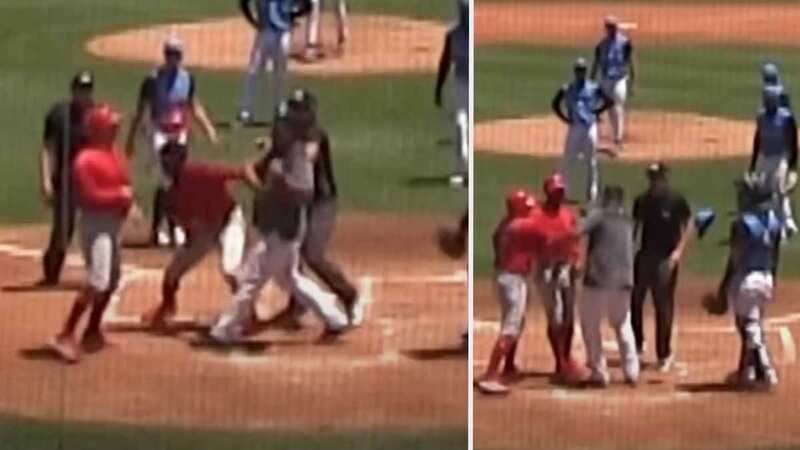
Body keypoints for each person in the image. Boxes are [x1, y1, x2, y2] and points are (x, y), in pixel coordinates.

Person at [208, 104, 348, 344]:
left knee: (251, 279)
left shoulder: (298, 155)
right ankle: (335, 318)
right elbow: (251, 170)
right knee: (291, 279)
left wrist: (280, 180)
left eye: (282, 125)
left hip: (285, 231)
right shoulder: (280, 151)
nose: (277, 128)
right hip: (277, 228)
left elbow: (305, 192)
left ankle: (225, 329)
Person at [266, 90, 362, 328]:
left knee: (312, 254)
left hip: (321, 203)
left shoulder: (314, 135)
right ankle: (297, 304)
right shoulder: (287, 133)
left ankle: (349, 296)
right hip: (298, 202)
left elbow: (309, 153)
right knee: (291, 253)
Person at [48, 104, 133, 363]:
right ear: (100, 129)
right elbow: (88, 197)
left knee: (113, 279)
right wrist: (118, 196)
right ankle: (64, 334)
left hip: (113, 225)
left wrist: (127, 204)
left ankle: (92, 332)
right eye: (112, 126)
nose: (116, 129)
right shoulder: (84, 161)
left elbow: (123, 185)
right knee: (98, 281)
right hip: (95, 225)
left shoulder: (114, 155)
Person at [139, 140, 254, 332]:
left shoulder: (200, 172)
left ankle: (248, 315)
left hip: (228, 221)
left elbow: (242, 171)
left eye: (169, 162)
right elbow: (182, 221)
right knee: (172, 272)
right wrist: (190, 236)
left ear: (181, 161)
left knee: (231, 269)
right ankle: (167, 307)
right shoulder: (170, 193)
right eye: (164, 162)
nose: (166, 167)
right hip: (204, 229)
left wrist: (260, 189)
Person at [125, 36, 218, 248]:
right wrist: (131, 139)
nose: (174, 59)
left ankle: (175, 226)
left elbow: (193, 105)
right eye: (170, 54)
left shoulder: (187, 79)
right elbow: (141, 111)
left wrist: (208, 128)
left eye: (177, 55)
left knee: (179, 181)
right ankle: (159, 229)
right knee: (164, 182)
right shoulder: (152, 80)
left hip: (180, 133)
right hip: (159, 134)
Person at [476, 189, 539, 395]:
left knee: (516, 323)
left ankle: (509, 366)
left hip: (506, 277)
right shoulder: (519, 227)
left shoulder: (505, 224)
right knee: (511, 328)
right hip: (513, 280)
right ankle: (490, 375)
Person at [631, 162, 692, 372]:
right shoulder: (642, 201)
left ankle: (664, 353)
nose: (653, 182)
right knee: (635, 300)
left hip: (666, 258)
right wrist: (631, 253)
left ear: (665, 178)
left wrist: (678, 253)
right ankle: (637, 345)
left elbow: (687, 223)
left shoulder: (675, 201)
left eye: (656, 178)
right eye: (651, 178)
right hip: (645, 256)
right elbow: (636, 228)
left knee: (663, 306)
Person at [576, 185, 639, 387]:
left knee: (590, 325)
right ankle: (632, 372)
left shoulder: (600, 215)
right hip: (625, 281)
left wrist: (586, 214)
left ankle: (599, 372)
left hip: (598, 279)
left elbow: (576, 229)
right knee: (622, 324)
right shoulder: (628, 220)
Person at [38, 70, 96, 286]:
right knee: (63, 231)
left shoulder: (96, 116)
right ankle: (51, 268)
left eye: (87, 89)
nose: (84, 94)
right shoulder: (59, 115)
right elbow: (47, 149)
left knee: (94, 226)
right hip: (65, 180)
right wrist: (45, 179)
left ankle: (97, 273)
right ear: (73, 91)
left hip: (90, 180)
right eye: (81, 89)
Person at [725, 176, 781, 390]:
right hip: (766, 276)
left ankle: (766, 371)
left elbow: (735, 257)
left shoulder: (742, 224)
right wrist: (772, 278)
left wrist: (724, 287)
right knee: (752, 323)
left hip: (747, 279)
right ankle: (747, 371)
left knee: (748, 327)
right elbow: (776, 255)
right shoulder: (774, 221)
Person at [531, 173, 584, 383]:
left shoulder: (567, 214)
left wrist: (577, 260)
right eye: (556, 192)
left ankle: (566, 358)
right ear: (548, 193)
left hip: (567, 268)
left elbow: (575, 238)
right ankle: (559, 360)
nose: (559, 196)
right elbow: (531, 242)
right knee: (555, 317)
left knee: (570, 315)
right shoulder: (536, 216)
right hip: (546, 269)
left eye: (561, 192)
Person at [552, 57, 613, 203]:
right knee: (568, 160)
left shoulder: (594, 87)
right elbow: (554, 104)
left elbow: (609, 101)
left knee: (591, 161)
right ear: (575, 72)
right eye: (579, 70)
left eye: (583, 70)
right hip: (574, 128)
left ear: (586, 71)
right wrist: (565, 118)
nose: (581, 72)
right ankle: (563, 192)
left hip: (590, 128)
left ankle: (592, 193)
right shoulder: (567, 88)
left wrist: (597, 111)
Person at [238, 0, 302, 124]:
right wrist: (253, 21)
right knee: (254, 71)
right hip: (264, 32)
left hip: (283, 33)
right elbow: (244, 3)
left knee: (279, 72)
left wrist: (293, 14)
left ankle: (280, 108)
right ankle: (246, 110)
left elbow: (305, 4)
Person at [749, 86, 798, 237]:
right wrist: (753, 162)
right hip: (765, 156)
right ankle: (778, 223)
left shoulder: (786, 117)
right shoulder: (761, 116)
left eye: (771, 100)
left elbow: (793, 141)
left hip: (780, 156)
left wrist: (792, 164)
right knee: (763, 190)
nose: (769, 102)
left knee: (778, 189)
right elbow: (758, 139)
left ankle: (782, 226)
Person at [435, 0, 469, 187]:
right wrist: (439, 88)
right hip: (460, 83)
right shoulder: (453, 35)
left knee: (467, 126)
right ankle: (461, 169)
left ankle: (467, 170)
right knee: (460, 124)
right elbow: (445, 62)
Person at [590, 15, 636, 151]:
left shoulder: (625, 43)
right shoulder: (601, 45)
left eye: (614, 26)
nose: (612, 29)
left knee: (617, 106)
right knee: (606, 108)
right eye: (609, 27)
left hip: (619, 80)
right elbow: (596, 64)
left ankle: (618, 139)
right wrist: (591, 80)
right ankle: (596, 139)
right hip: (605, 80)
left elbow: (630, 62)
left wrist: (633, 81)